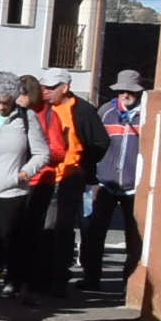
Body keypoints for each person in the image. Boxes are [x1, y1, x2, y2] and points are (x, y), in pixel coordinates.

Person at [0, 74, 49, 301]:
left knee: (7, 238)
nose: (1, 107)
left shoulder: (26, 117)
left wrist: (23, 173)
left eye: (6, 102)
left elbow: (42, 153)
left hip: (12, 190)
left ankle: (10, 279)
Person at [81, 70, 147, 292]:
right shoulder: (106, 112)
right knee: (94, 233)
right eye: (122, 91)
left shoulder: (146, 115)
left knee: (133, 237)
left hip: (133, 187)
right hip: (105, 183)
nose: (125, 95)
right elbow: (93, 144)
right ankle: (91, 278)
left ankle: (128, 283)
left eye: (131, 91)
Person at [44, 71, 108, 294]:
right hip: (46, 176)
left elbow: (101, 142)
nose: (47, 91)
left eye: (52, 87)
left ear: (65, 87)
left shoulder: (83, 111)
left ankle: (60, 278)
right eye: (45, 87)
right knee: (47, 228)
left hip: (72, 177)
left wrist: (82, 165)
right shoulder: (42, 108)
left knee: (65, 227)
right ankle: (44, 275)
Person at [21, 73, 80, 295]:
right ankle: (17, 278)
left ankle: (38, 281)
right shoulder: (14, 114)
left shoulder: (47, 115)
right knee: (17, 232)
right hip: (15, 181)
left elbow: (58, 151)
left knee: (41, 232)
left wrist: (34, 154)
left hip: (41, 181)